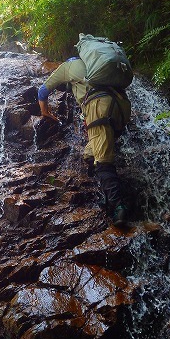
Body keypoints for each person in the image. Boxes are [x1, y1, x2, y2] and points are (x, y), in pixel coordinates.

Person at [38, 54, 131, 226]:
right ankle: (106, 197)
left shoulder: (67, 67)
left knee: (103, 161)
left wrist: (44, 111)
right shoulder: (97, 68)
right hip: (122, 107)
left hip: (99, 107)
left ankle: (119, 207)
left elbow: (43, 91)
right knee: (90, 154)